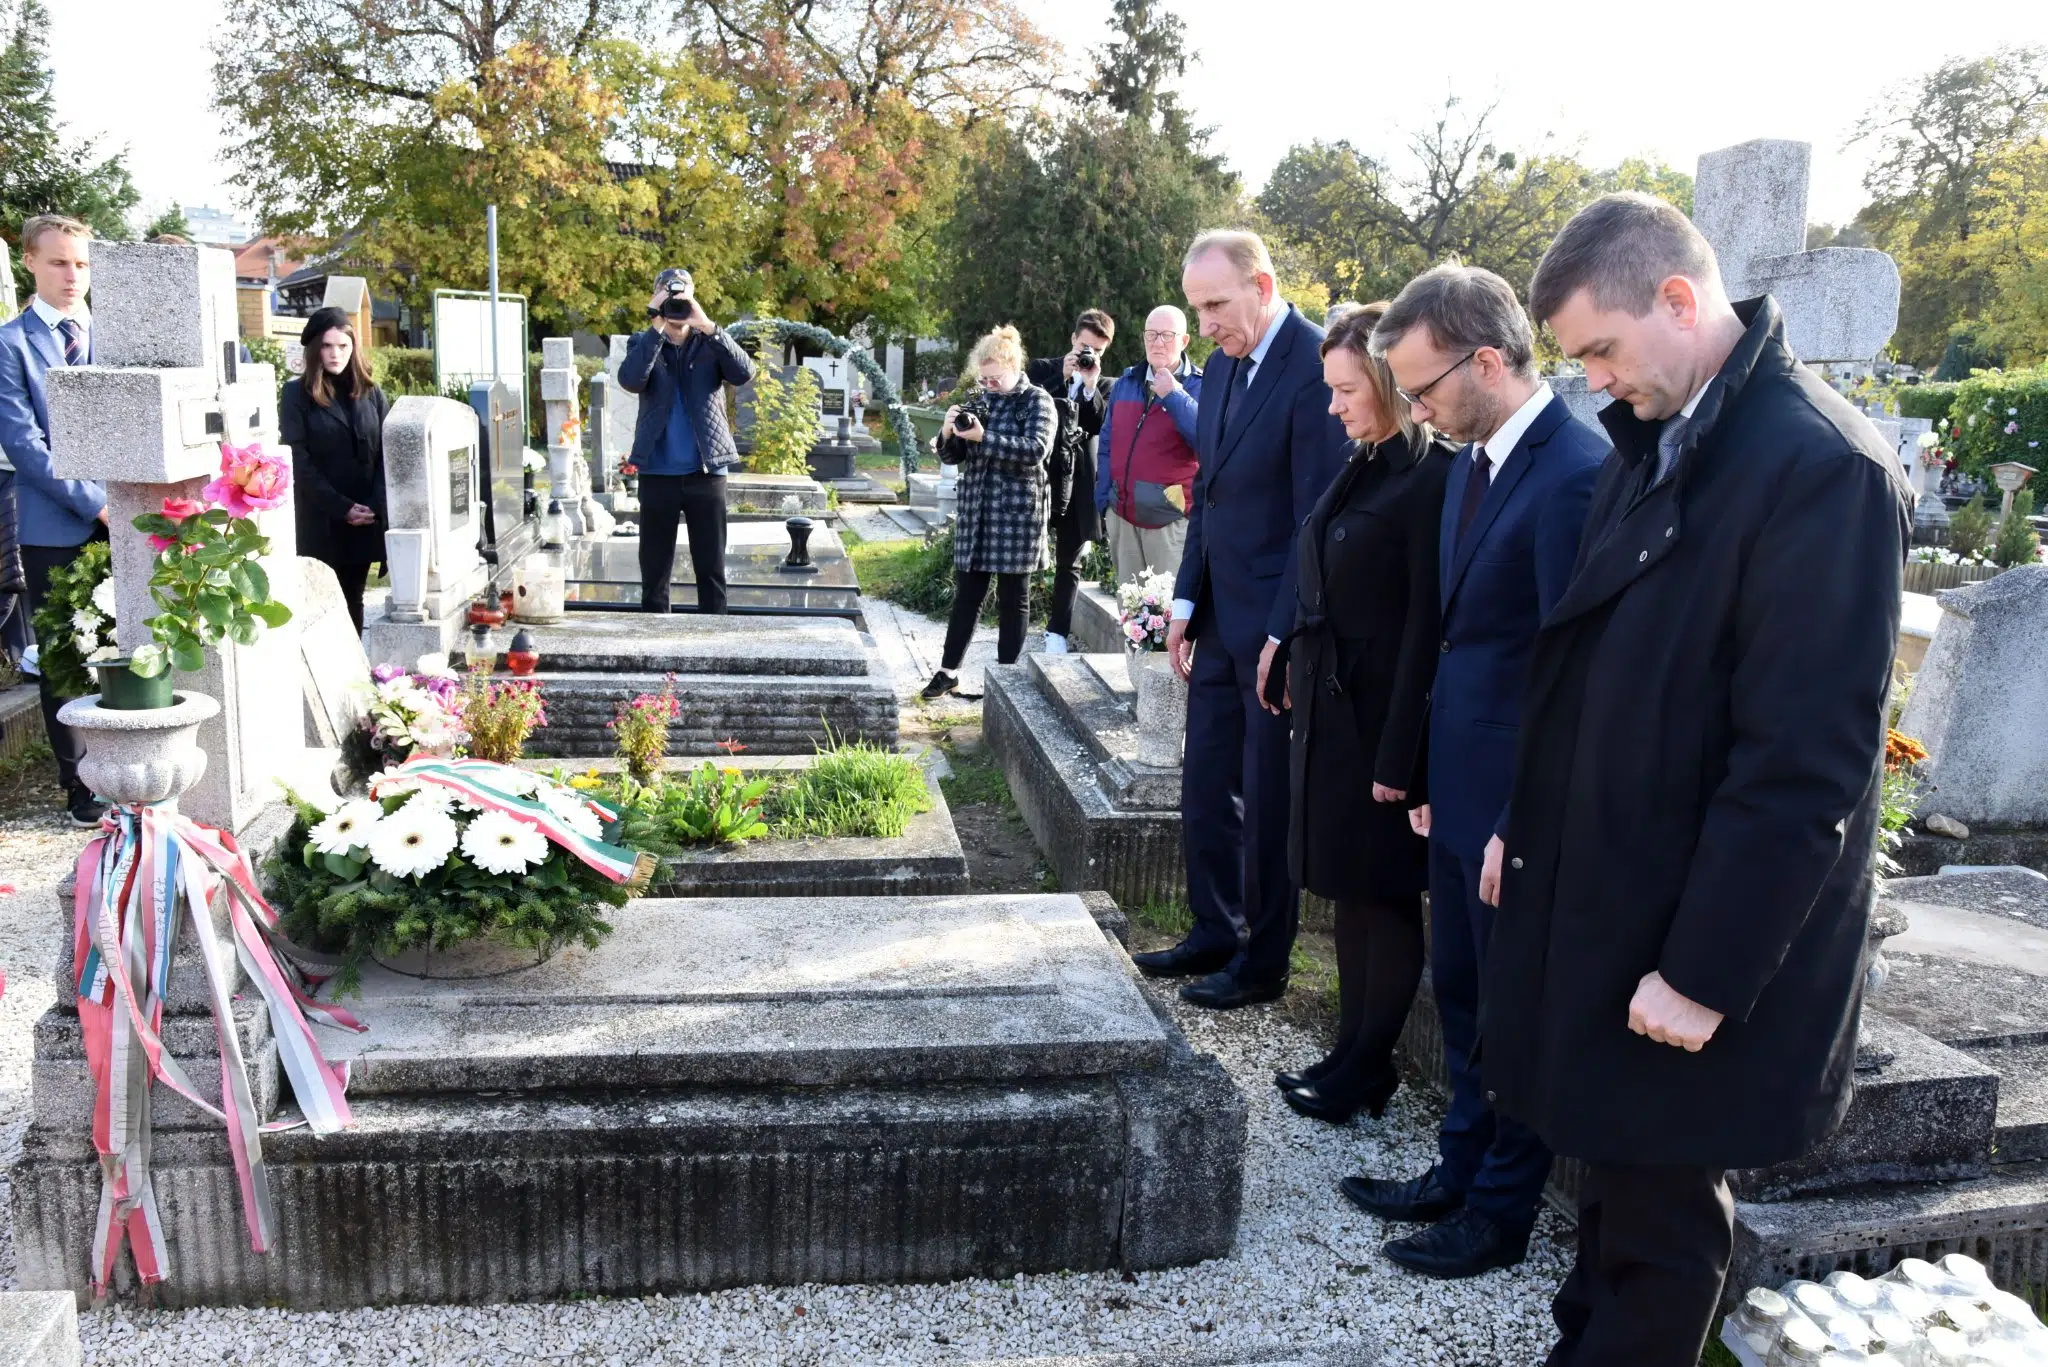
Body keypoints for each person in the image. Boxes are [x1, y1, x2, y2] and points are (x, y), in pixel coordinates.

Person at [1497, 193, 1911, 1365]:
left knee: (1662, 1222)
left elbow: (1801, 764)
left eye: (1599, 349)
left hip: (1690, 926)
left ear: (1676, 299)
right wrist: (1522, 830)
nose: (1590, 380)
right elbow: (1583, 668)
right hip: (1617, 889)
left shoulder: (1818, 469)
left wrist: (1701, 972)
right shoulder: (1665, 432)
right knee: (1609, 1179)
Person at [1339, 262, 1603, 1279]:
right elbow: (1454, 638)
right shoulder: (1467, 468)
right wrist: (1427, 777)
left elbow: (1563, 673)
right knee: (1459, 989)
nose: (1415, 409)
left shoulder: (1572, 472)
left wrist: (1517, 818)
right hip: (1456, 787)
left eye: (1424, 387)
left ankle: (1499, 1209)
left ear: (1488, 361)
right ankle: (1457, 1166)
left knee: (1508, 1007)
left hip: (1514, 805)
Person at [1128, 229, 1347, 1009]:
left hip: (1275, 628)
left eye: (1216, 304)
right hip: (1218, 615)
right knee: (1205, 781)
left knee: (1265, 795)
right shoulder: (1221, 366)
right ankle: (1213, 928)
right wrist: (1185, 601)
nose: (1207, 323)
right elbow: (1209, 495)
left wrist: (1285, 633)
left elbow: (1315, 518)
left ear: (1262, 285)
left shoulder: (1316, 365)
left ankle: (1264, 958)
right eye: (1196, 308)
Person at [1270, 302, 1453, 1125]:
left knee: (1385, 894)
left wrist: (1400, 753)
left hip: (1381, 718)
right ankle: (1349, 1048)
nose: (1335, 405)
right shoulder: (1365, 461)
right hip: (1333, 712)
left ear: (1387, 380)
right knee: (1347, 888)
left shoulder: (1431, 475)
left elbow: (1425, 624)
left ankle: (1371, 1063)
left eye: (1347, 390)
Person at [0, 214, 108, 826]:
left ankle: (136, 759)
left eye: (82, 263)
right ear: (30, 263)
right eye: (60, 262)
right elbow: (24, 443)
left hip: (127, 517)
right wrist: (93, 502)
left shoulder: (114, 334)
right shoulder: (10, 344)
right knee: (64, 654)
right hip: (55, 523)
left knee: (130, 643)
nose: (73, 275)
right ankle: (80, 783)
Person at [920, 326, 1058, 700]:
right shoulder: (979, 401)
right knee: (967, 595)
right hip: (978, 511)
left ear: (1013, 366)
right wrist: (948, 434)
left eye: (994, 378)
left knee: (1014, 598)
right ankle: (948, 672)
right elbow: (956, 457)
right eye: (983, 379)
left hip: (1017, 514)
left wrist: (984, 437)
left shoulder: (1038, 401)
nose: (989, 385)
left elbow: (1035, 450)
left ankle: (1006, 679)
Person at [617, 267, 755, 613]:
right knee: (654, 572)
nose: (677, 305)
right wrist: (656, 324)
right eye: (668, 297)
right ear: (656, 298)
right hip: (657, 472)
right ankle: (654, 639)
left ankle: (714, 638)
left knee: (711, 570)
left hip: (706, 472)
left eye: (683, 296)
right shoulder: (643, 341)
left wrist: (707, 324)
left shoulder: (711, 341)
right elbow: (631, 380)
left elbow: (743, 373)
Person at [280, 307, 389, 633]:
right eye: (327, 346)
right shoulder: (295, 394)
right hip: (322, 519)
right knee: (321, 606)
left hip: (364, 518)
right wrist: (341, 507)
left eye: (343, 346)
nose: (335, 354)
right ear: (315, 348)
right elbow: (298, 459)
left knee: (354, 599)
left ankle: (355, 665)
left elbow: (388, 453)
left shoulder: (371, 392)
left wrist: (373, 505)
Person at [1094, 305, 1202, 587]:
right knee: (1129, 606)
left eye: (1167, 335)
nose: (1157, 342)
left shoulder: (1199, 386)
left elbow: (1205, 440)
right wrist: (1104, 501)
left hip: (1169, 521)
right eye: (1151, 334)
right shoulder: (1126, 382)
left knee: (1167, 608)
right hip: (1122, 518)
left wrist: (1174, 395)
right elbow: (1107, 443)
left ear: (1184, 341)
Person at [1026, 309, 1112, 654]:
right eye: (1084, 347)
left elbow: (1098, 425)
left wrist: (1089, 385)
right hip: (1041, 478)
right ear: (1073, 340)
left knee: (1069, 561)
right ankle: (1015, 622)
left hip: (1080, 483)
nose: (1089, 354)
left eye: (1098, 351)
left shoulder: (1104, 385)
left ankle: (1057, 633)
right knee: (1022, 555)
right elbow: (1027, 410)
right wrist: (1060, 378)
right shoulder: (1040, 370)